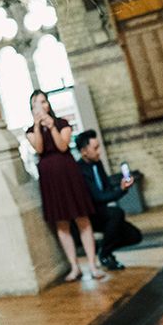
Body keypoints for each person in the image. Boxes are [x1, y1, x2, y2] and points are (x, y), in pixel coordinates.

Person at [25, 90, 103, 281]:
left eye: (44, 102)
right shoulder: (30, 131)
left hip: (68, 173)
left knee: (82, 218)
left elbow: (62, 146)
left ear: (48, 104)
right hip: (50, 178)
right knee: (62, 223)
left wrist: (51, 127)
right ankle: (74, 266)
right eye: (37, 103)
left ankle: (93, 265)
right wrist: (38, 125)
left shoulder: (62, 123)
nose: (42, 106)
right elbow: (40, 148)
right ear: (32, 108)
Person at [75, 129, 143, 269]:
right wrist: (121, 190)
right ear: (84, 151)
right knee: (117, 213)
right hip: (90, 216)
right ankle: (104, 255)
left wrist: (121, 186)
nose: (99, 151)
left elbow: (106, 188)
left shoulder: (97, 164)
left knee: (135, 236)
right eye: (95, 148)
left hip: (103, 213)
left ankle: (104, 249)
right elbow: (98, 197)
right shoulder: (80, 170)